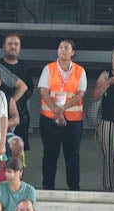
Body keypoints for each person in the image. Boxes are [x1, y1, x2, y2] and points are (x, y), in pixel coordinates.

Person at [36, 40, 86, 192]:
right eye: (60, 48)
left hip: (73, 121)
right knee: (50, 155)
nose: (63, 50)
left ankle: (74, 189)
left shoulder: (79, 70)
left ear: (73, 52)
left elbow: (80, 94)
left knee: (73, 156)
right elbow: (44, 91)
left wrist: (62, 108)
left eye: (66, 48)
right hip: (49, 119)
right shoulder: (49, 68)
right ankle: (48, 187)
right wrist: (56, 111)